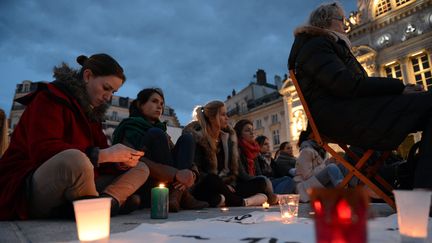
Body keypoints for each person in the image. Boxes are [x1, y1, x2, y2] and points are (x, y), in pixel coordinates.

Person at [288, 2, 432, 190]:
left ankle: (423, 185)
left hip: (349, 114)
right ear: (327, 22)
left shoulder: (320, 45)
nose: (346, 25)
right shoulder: (317, 45)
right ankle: (425, 189)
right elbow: (347, 85)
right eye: (342, 20)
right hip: (344, 118)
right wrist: (399, 88)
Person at [0, 54, 149, 220]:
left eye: (113, 91)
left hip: (80, 183)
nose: (108, 97)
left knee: (140, 167)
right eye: (106, 88)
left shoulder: (92, 115)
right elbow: (42, 151)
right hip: (30, 185)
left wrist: (120, 162)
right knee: (75, 159)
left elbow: (99, 160)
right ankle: (101, 206)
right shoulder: (49, 98)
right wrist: (104, 154)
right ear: (87, 76)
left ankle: (108, 201)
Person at [112, 88, 208, 211]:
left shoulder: (161, 130)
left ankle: (175, 196)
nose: (159, 107)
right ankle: (179, 196)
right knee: (156, 133)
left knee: (187, 138)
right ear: (140, 104)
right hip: (146, 181)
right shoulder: (130, 127)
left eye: (162, 104)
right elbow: (133, 160)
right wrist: (176, 174)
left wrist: (193, 173)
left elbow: (178, 154)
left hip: (168, 180)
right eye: (154, 101)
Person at [184, 101, 269, 207]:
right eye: (223, 115)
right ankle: (241, 202)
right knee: (212, 179)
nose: (227, 118)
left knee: (261, 182)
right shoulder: (198, 138)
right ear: (212, 118)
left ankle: (224, 199)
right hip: (205, 185)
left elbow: (236, 173)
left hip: (227, 185)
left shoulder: (228, 138)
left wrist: (226, 185)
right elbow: (198, 171)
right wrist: (221, 185)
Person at [294, 131, 344, 202]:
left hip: (319, 183)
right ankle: (344, 192)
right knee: (331, 167)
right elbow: (307, 176)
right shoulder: (306, 152)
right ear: (312, 136)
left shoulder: (322, 150)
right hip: (306, 187)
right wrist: (326, 164)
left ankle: (353, 189)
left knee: (342, 166)